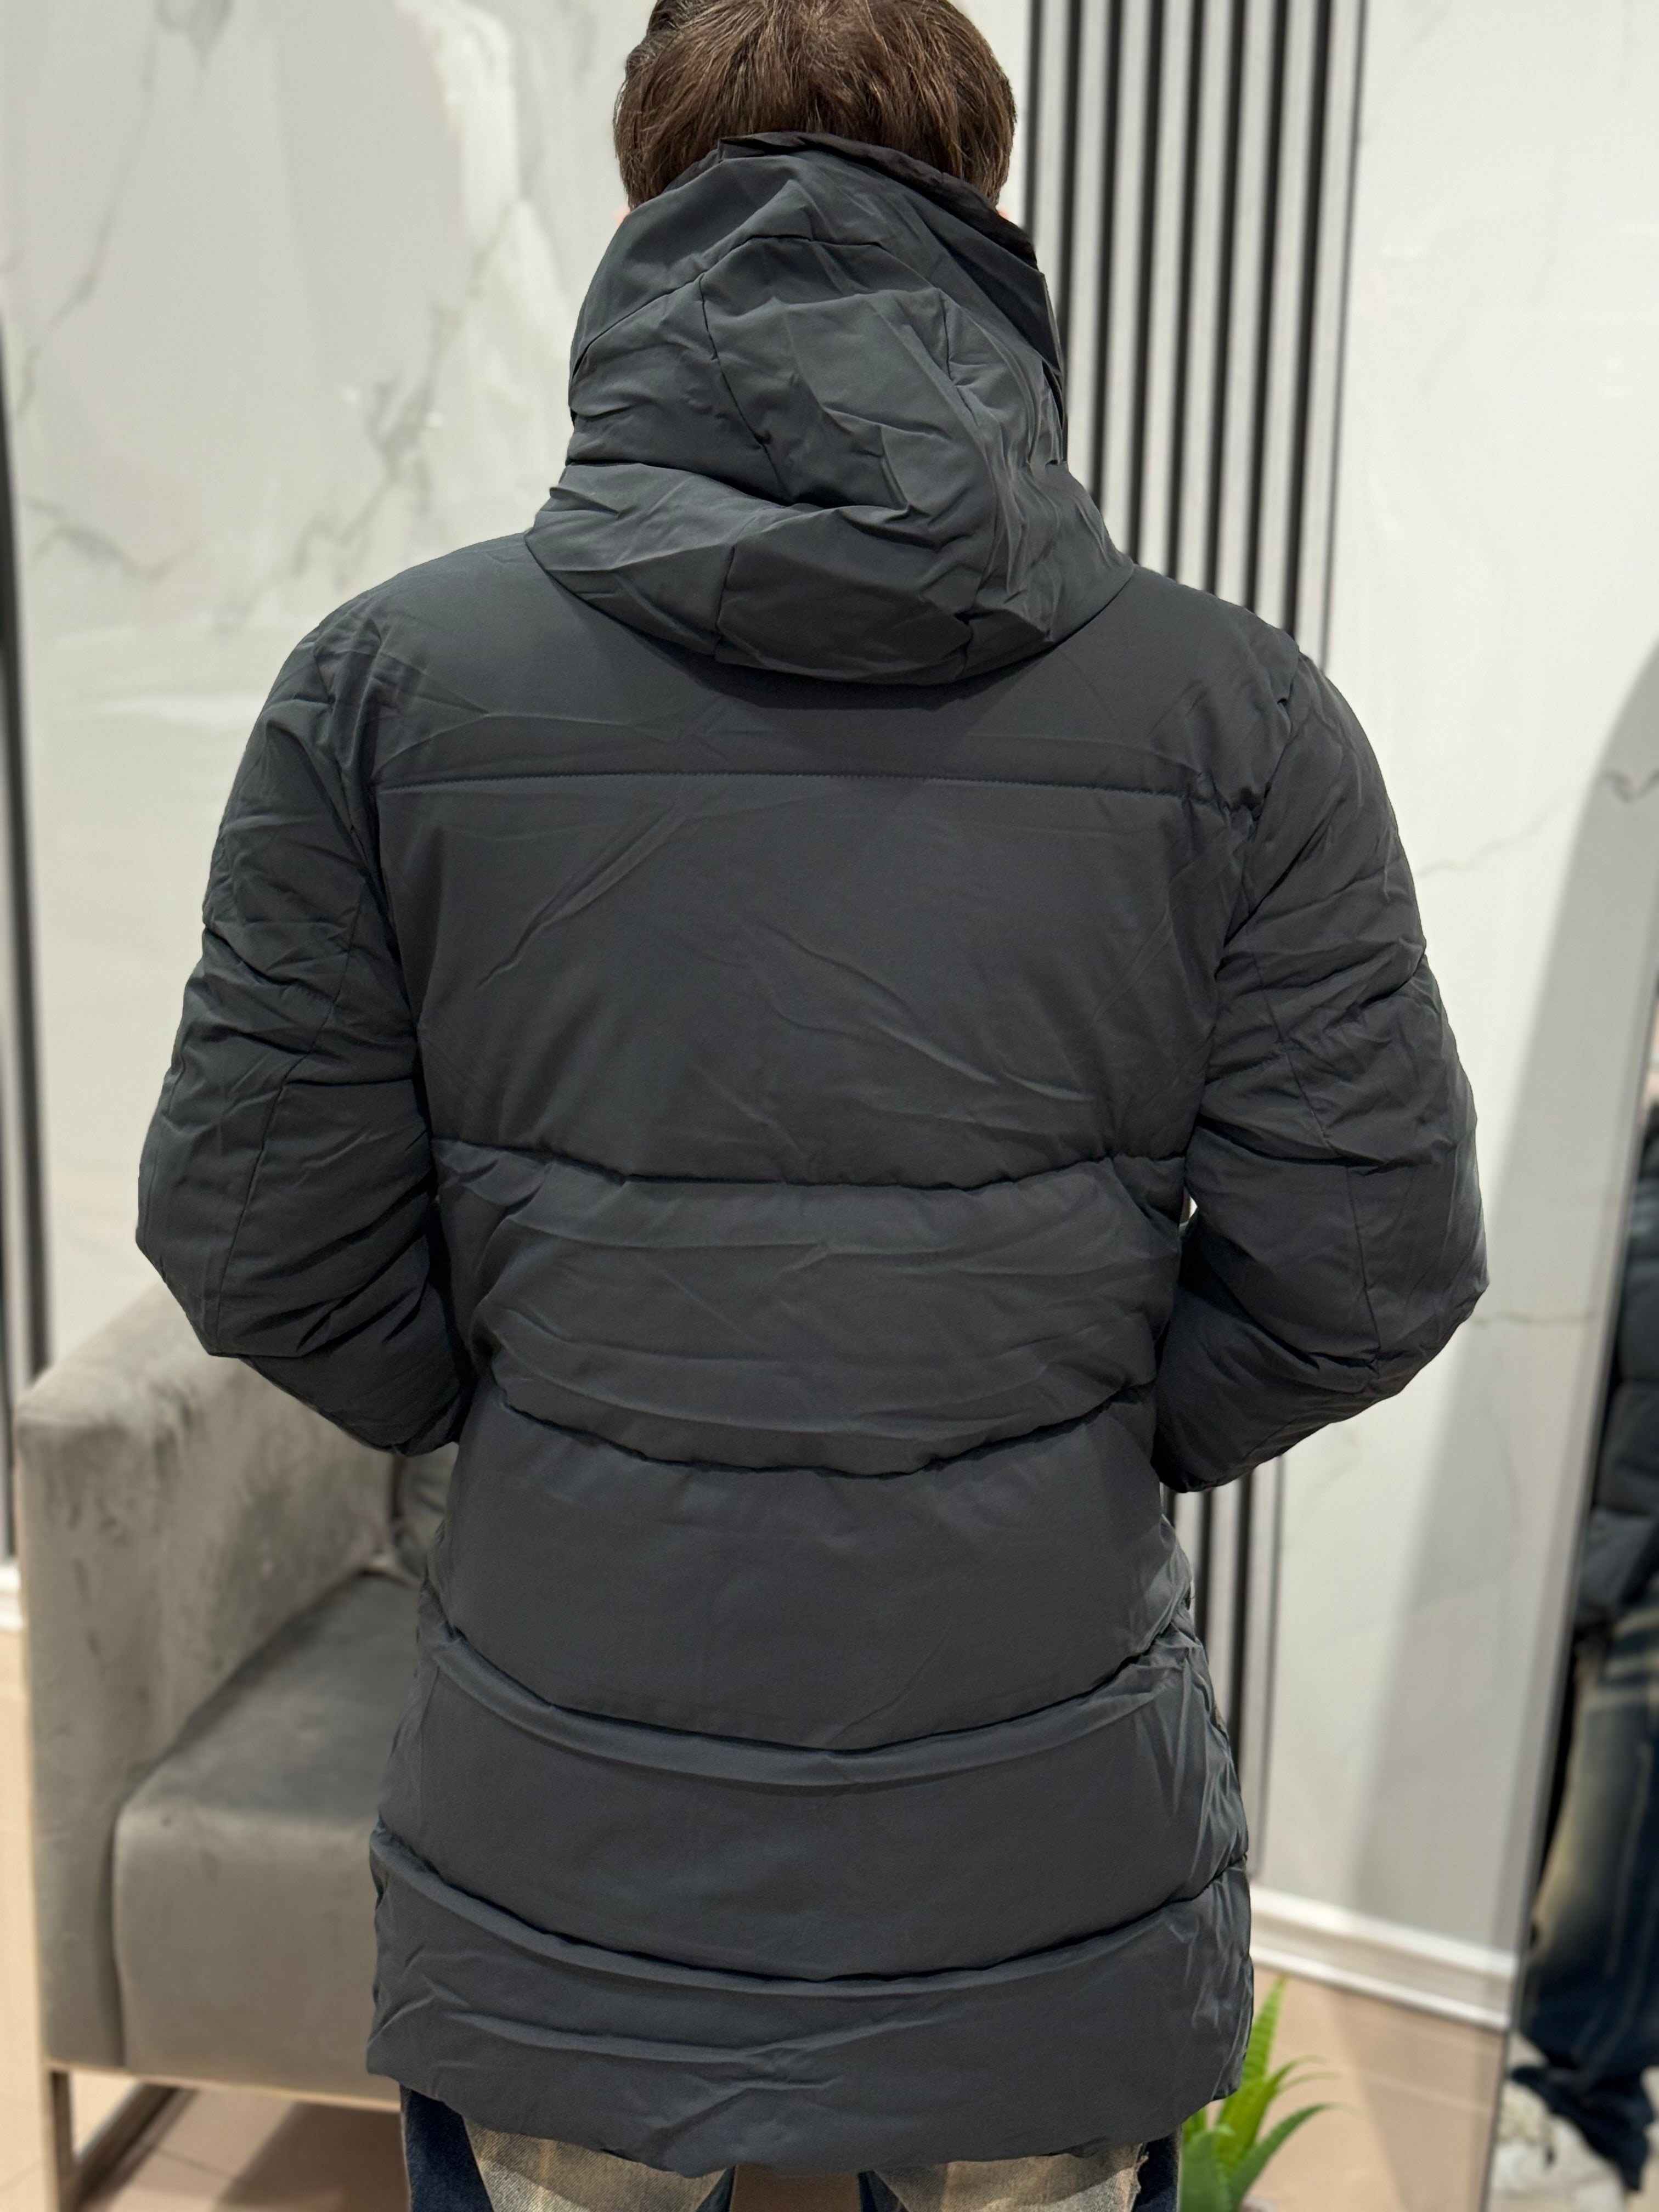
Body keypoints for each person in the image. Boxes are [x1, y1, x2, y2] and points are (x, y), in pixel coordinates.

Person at [136, 2, 1487, 2207]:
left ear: (643, 196)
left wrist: (538, 1409)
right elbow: (1372, 1264)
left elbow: (254, 1233)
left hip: (568, 1833)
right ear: (984, 200)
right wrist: (1081, 1429)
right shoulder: (1239, 719)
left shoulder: (384, 692)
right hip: (1037, 1852)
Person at [1494, 1109, 1659, 2211]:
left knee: (1615, 1867)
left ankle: (1586, 2133)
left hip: (1643, 1567)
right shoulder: (1634, 1142)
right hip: (1604, 1545)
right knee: (1572, 1863)